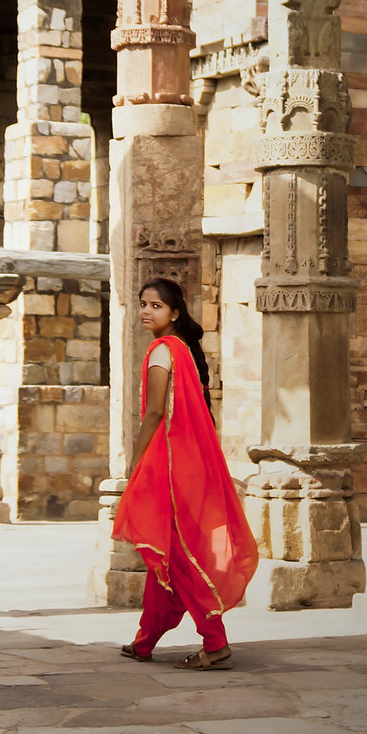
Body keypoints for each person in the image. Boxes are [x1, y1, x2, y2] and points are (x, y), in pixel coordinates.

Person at [112, 277, 258, 669]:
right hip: (187, 462)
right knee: (168, 555)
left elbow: (156, 413)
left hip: (170, 464)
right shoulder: (183, 351)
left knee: (179, 556)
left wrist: (135, 462)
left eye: (155, 306)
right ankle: (144, 641)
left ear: (174, 313)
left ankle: (215, 642)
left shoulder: (163, 352)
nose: (146, 311)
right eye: (143, 304)